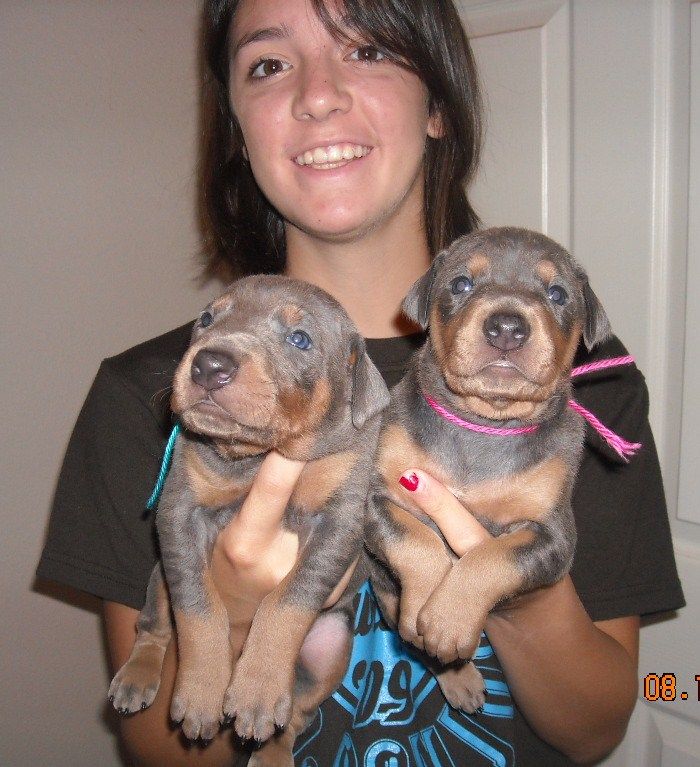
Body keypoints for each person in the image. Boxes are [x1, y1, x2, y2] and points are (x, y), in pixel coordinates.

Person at [36, 0, 685, 764]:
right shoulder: (153, 395)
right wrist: (236, 614)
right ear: (239, 128)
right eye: (268, 65)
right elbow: (163, 753)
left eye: (370, 51)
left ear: (440, 102)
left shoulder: (584, 396)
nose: (317, 93)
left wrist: (516, 588)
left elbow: (597, 727)